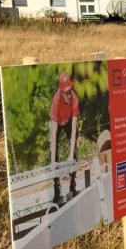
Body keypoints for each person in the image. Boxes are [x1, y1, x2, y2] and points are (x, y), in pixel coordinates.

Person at [49, 72, 79, 203]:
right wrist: (53, 162)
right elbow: (54, 135)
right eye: (65, 92)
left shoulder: (74, 99)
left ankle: (72, 187)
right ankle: (57, 191)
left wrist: (71, 155)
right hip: (57, 122)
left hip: (68, 122)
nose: (68, 95)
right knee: (53, 154)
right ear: (61, 92)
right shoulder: (56, 101)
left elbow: (73, 131)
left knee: (75, 151)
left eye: (69, 91)